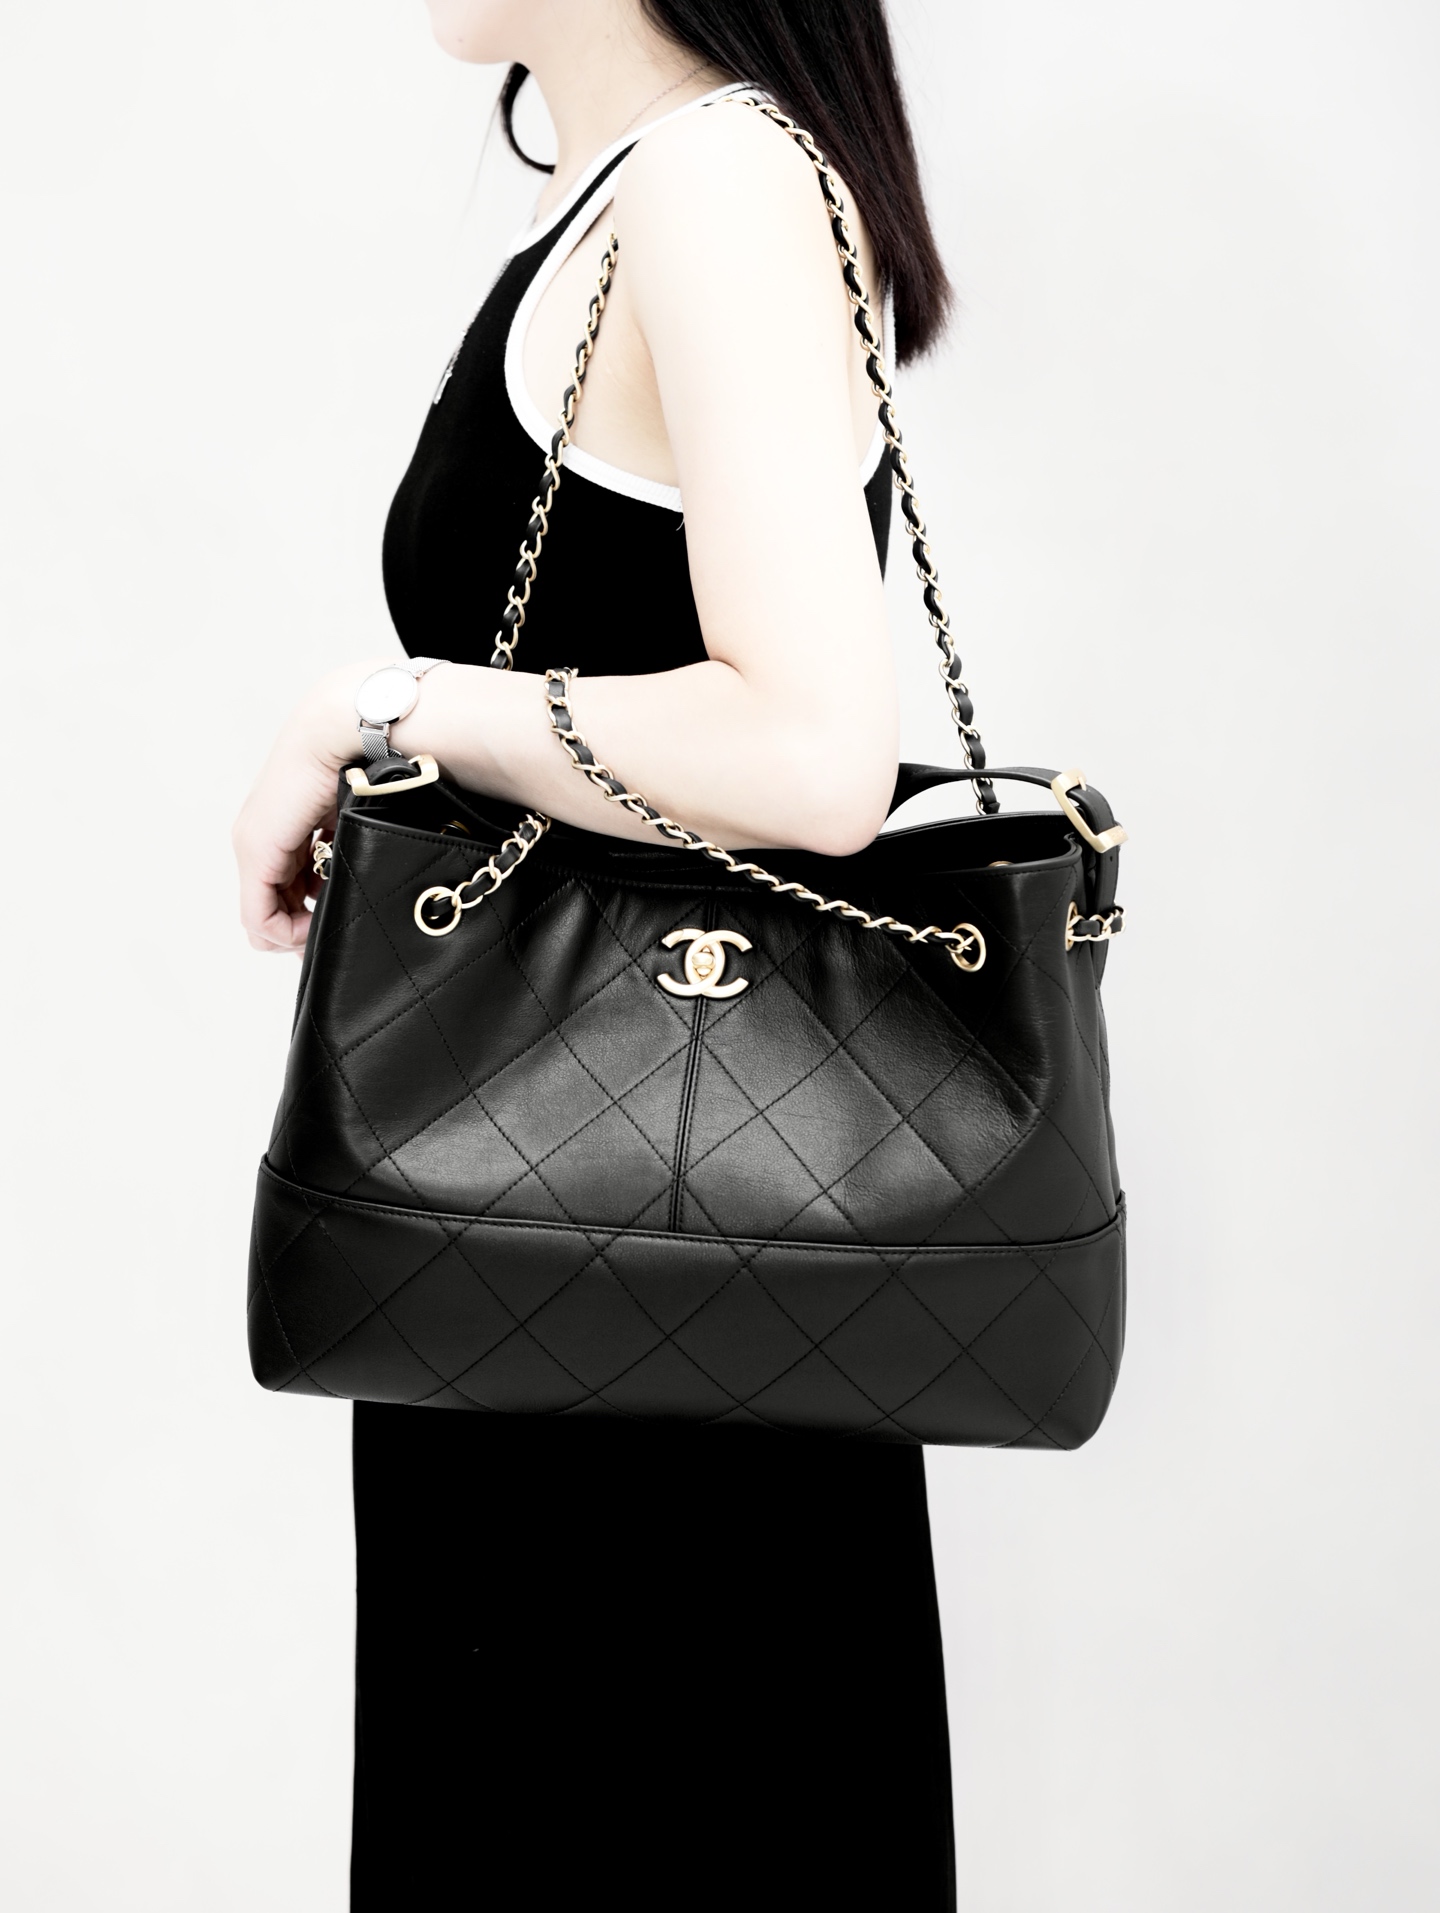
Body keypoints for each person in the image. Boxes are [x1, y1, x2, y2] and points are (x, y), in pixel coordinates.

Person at [232, 2, 959, 1904]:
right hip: (584, 1257)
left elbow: (813, 752)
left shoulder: (720, 184)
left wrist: (389, 705)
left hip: (653, 1303)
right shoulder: (642, 189)